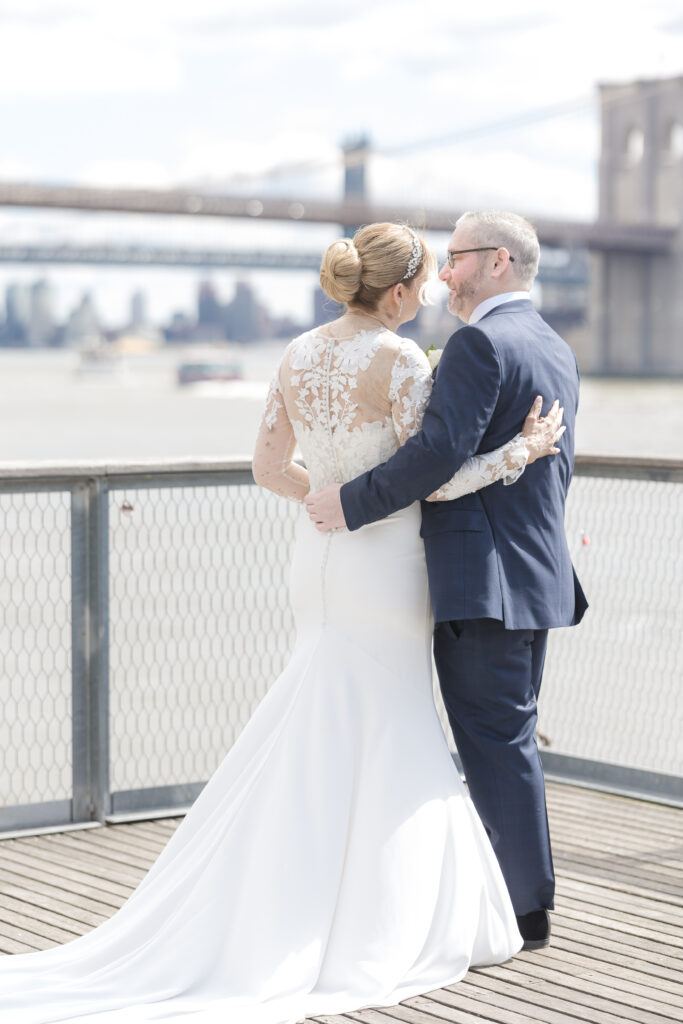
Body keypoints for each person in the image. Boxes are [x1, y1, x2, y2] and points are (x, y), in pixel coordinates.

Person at [0, 222, 564, 1023]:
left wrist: (326, 503)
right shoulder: (402, 361)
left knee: (323, 710)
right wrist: (521, 452)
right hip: (384, 563)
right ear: (398, 291)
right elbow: (430, 480)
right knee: (388, 722)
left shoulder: (298, 352)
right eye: (425, 282)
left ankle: (289, 887)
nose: (433, 294)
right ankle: (372, 905)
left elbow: (269, 466)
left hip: (319, 560)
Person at [305, 211, 589, 953]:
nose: (442, 276)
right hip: (531, 575)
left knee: (493, 747)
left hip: (481, 582)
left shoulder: (477, 343)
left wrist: (349, 502)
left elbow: (434, 456)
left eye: (455, 260)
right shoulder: (552, 344)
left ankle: (522, 911)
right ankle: (514, 898)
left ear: (496, 262)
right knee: (509, 740)